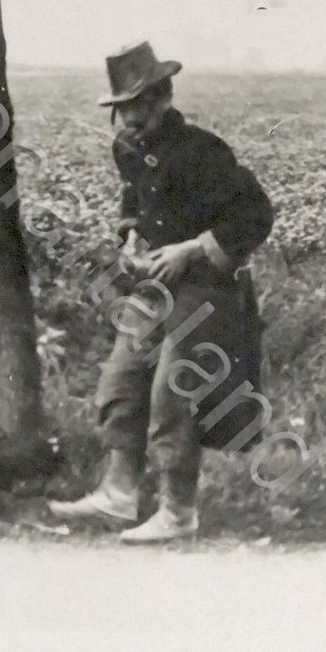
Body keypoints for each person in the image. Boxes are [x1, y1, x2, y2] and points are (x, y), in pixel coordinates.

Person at [48, 41, 275, 543]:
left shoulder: (203, 152)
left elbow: (256, 216)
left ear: (162, 99)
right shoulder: (128, 147)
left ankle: (178, 511)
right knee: (122, 379)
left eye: (134, 106)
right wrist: (130, 236)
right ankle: (119, 493)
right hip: (155, 284)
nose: (127, 119)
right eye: (120, 108)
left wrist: (192, 249)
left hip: (207, 289)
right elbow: (135, 200)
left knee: (174, 392)